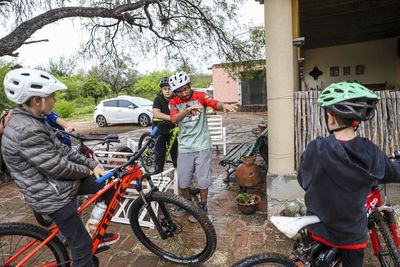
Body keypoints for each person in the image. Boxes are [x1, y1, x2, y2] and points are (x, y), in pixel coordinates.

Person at [1, 68, 119, 267]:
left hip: (55, 184)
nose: (54, 100)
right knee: (81, 247)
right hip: (52, 195)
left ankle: (93, 230)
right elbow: (58, 167)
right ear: (37, 100)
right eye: (52, 96)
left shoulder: (33, 120)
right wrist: (89, 171)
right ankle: (82, 242)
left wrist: (92, 164)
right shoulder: (27, 129)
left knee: (109, 182)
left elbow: (62, 150)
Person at [297, 82, 400, 267]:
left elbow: (303, 181)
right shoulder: (371, 153)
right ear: (357, 120)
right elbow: (393, 173)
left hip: (320, 227)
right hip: (351, 236)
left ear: (331, 117)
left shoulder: (315, 148)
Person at [168, 71, 238, 222]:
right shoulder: (173, 103)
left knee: (202, 181)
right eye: (179, 91)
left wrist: (223, 105)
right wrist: (187, 110)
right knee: (183, 182)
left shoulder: (200, 96)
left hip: (202, 145)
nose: (184, 93)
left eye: (185, 88)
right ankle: (190, 205)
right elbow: (174, 119)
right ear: (175, 92)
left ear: (189, 85)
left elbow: (213, 103)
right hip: (185, 148)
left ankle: (203, 207)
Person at [152, 76, 178, 174]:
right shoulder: (158, 99)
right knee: (160, 155)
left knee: (176, 153)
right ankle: (157, 177)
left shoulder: (176, 99)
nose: (167, 91)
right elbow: (156, 113)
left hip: (172, 128)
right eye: (164, 89)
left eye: (169, 88)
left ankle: (182, 180)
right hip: (160, 128)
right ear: (162, 90)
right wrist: (172, 118)